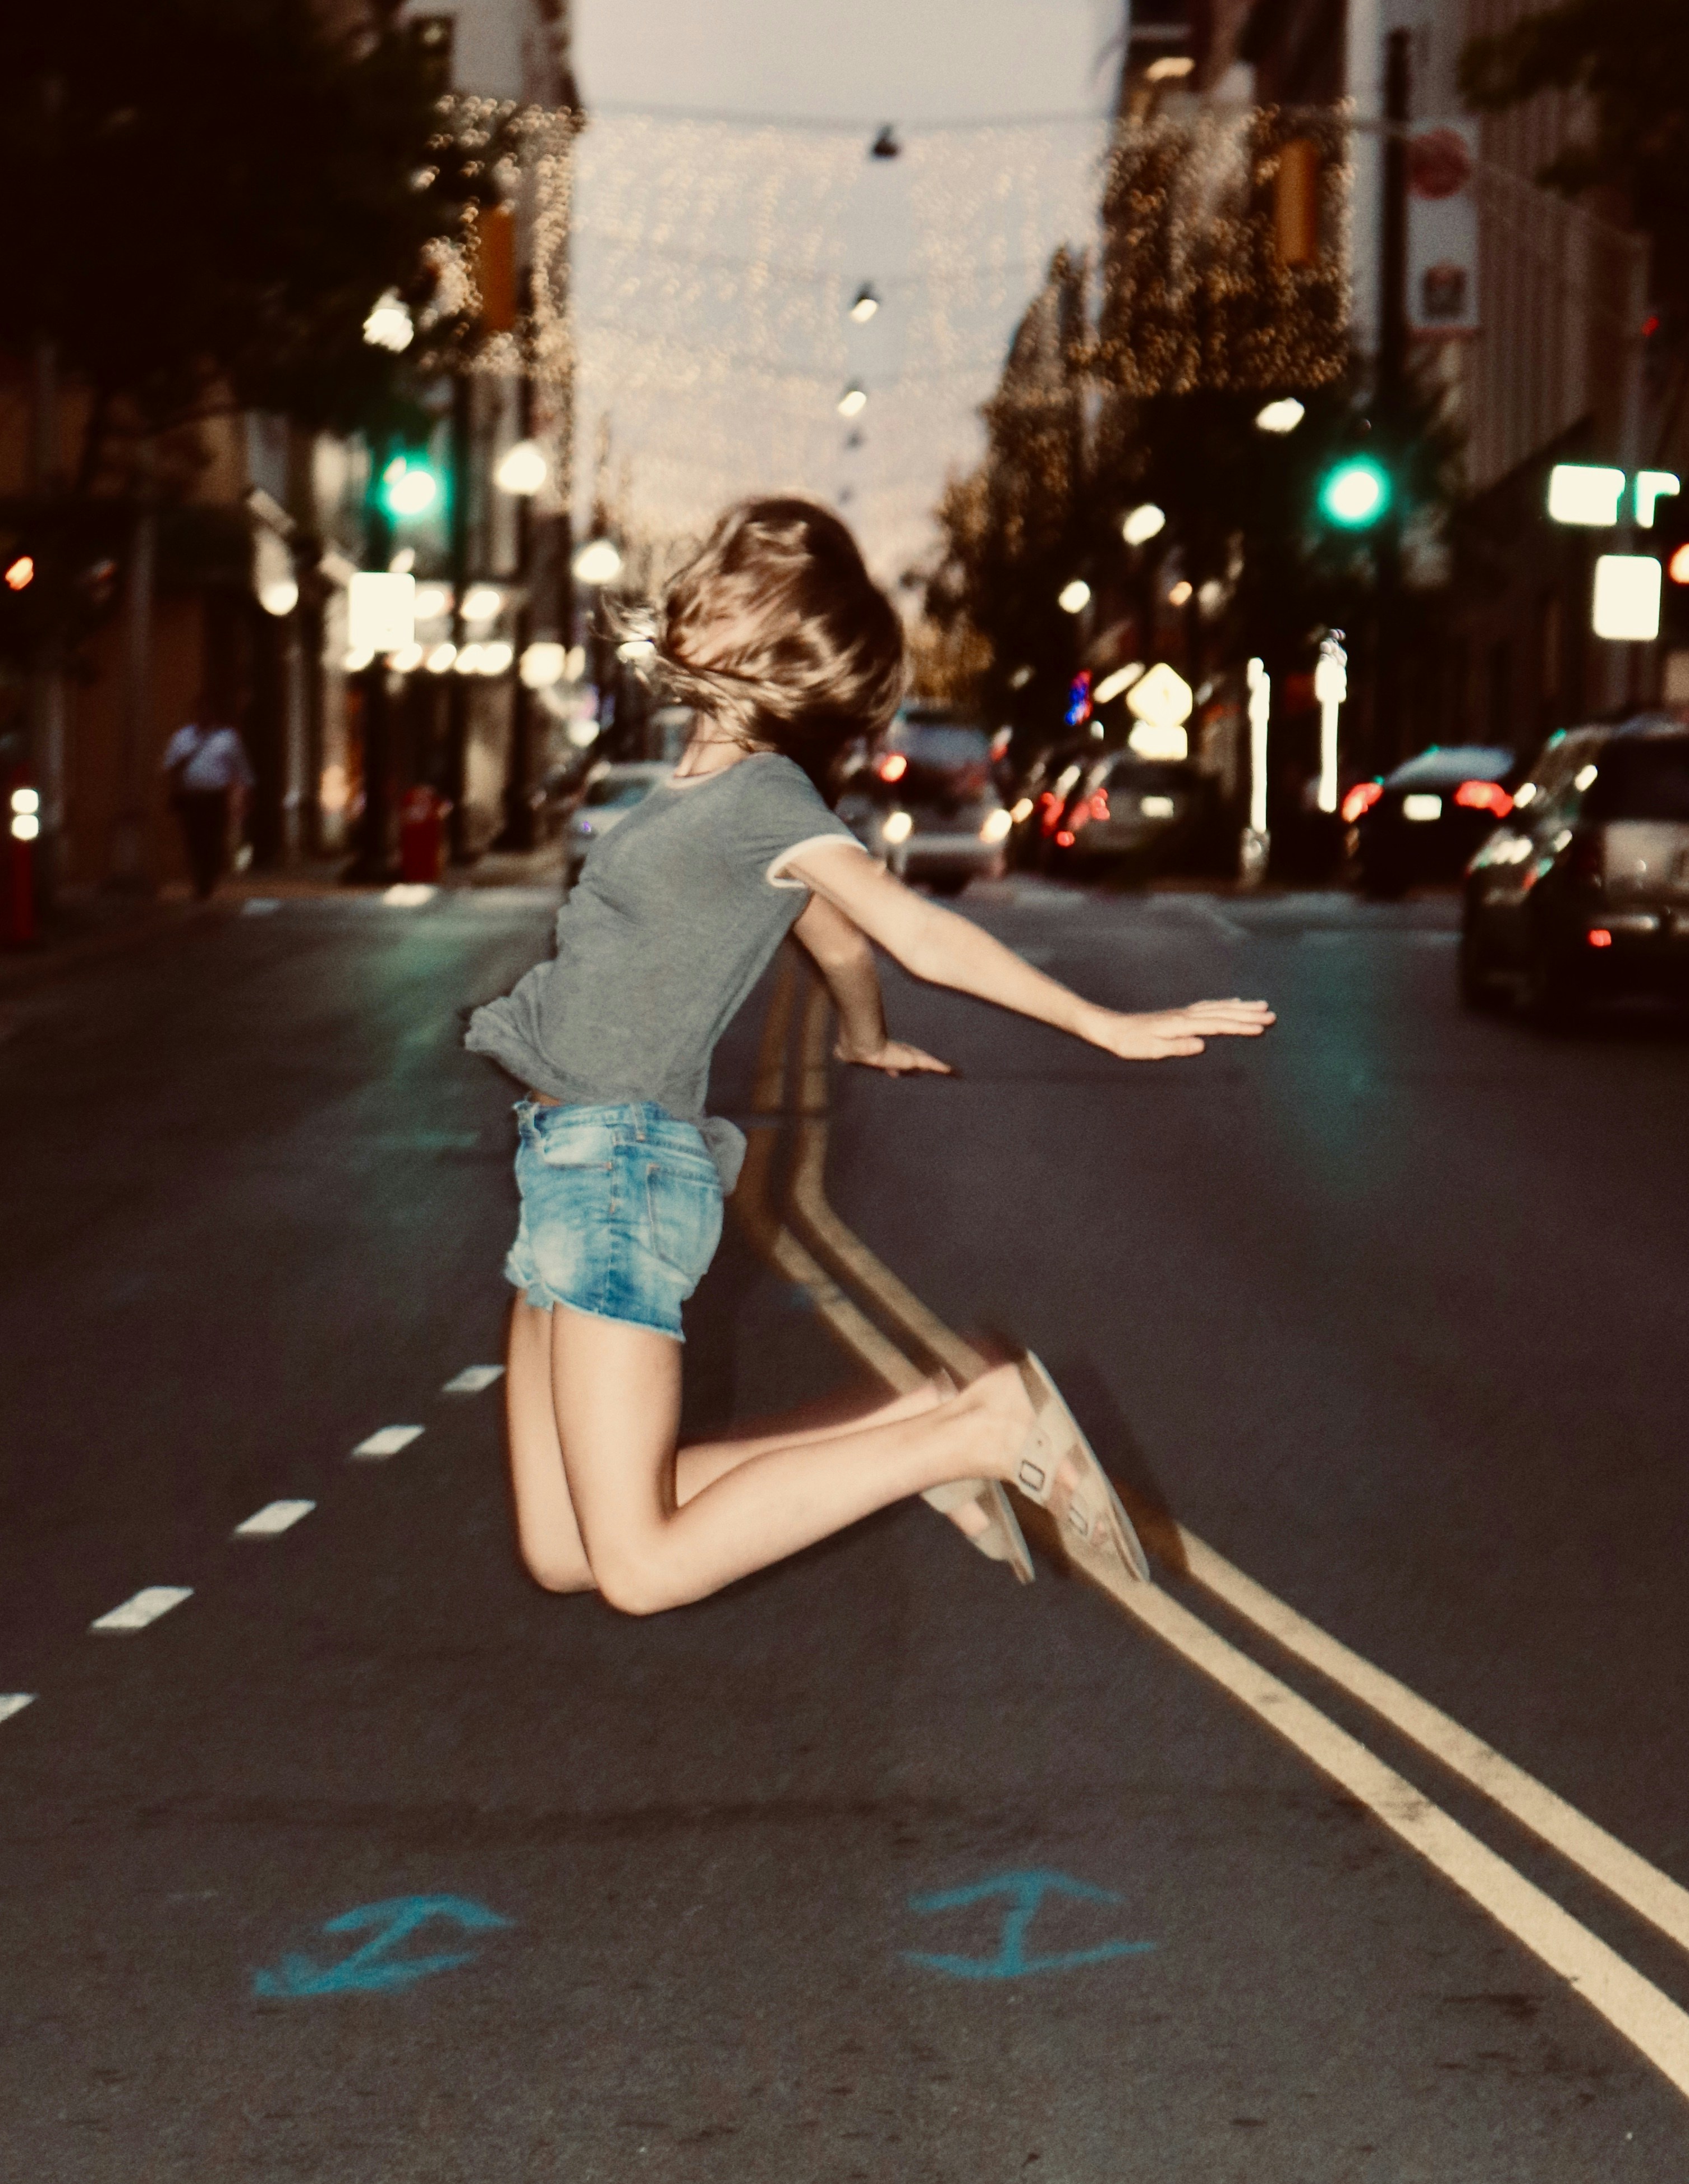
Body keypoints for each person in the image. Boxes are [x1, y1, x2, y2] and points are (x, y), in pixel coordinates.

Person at [465, 496, 1273, 1617]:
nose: (702, 581)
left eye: (734, 577)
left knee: (642, 1569)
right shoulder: (701, 792)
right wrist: (861, 1030)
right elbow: (837, 942)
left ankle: (974, 1434)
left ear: (774, 641)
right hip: (560, 1165)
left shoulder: (760, 792)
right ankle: (911, 1424)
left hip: (617, 1169)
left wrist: (1102, 1023)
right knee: (565, 1547)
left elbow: (908, 927)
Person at [162, 701, 253, 899]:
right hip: (191, 797)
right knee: (193, 840)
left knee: (213, 839)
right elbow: (170, 766)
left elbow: (241, 769)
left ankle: (208, 878)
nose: (204, 715)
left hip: (215, 798)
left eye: (208, 712)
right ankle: (200, 880)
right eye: (200, 711)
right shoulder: (182, 738)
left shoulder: (227, 739)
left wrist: (245, 796)